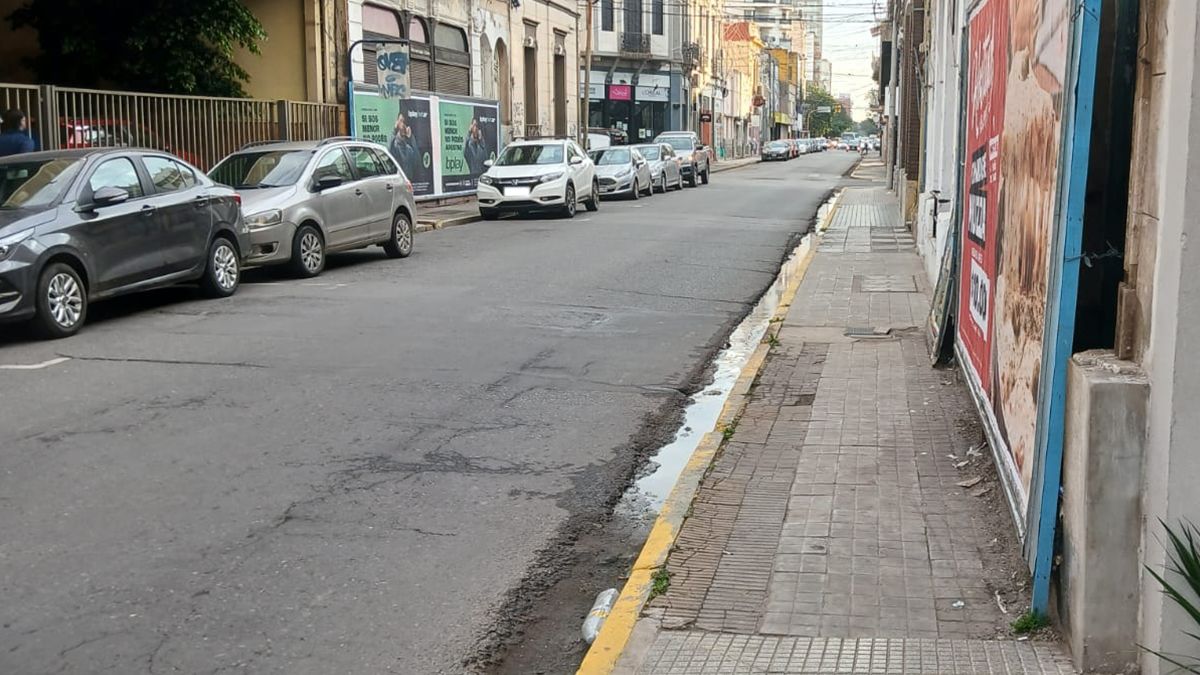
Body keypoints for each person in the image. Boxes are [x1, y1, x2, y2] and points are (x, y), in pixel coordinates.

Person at [388, 111, 421, 179]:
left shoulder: (409, 149)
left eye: (404, 122)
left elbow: (417, 162)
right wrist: (394, 130)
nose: (403, 124)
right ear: (397, 123)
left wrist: (411, 138)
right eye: (401, 121)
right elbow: (390, 151)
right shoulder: (395, 144)